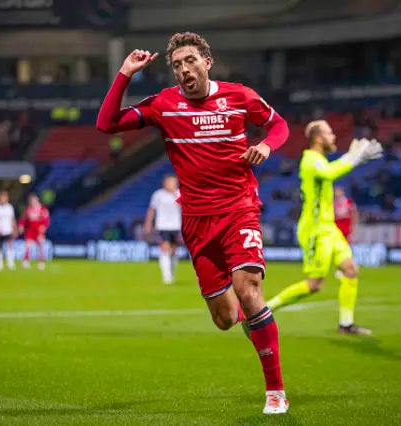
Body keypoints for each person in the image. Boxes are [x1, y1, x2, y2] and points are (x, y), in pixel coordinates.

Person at [96, 32, 290, 415]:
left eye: (190, 61)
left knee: (248, 289)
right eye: (177, 65)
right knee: (225, 318)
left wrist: (266, 145)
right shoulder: (165, 105)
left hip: (239, 209)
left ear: (207, 62)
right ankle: (253, 318)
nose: (184, 69)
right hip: (198, 222)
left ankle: (275, 391)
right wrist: (124, 74)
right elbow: (107, 124)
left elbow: (279, 125)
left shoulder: (239, 96)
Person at [266, 121, 383, 334]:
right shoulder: (310, 160)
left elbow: (330, 170)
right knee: (314, 284)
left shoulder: (318, 160)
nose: (333, 137)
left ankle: (346, 324)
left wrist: (351, 158)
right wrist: (352, 158)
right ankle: (263, 311)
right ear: (318, 138)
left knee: (350, 270)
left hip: (329, 228)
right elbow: (329, 173)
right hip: (315, 230)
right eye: (330, 133)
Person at [144, 175, 182, 284]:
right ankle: (167, 277)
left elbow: (185, 207)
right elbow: (151, 210)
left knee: (174, 251)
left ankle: (172, 273)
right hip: (162, 226)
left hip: (176, 225)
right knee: (165, 248)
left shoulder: (179, 193)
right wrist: (148, 224)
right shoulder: (158, 194)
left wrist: (174, 193)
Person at [18, 194, 50, 270]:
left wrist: (44, 227)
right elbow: (23, 219)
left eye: (34, 200)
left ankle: (41, 262)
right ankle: (26, 261)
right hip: (30, 230)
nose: (32, 202)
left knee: (40, 246)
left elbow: (46, 220)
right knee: (28, 246)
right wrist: (21, 226)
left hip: (39, 230)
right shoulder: (28, 209)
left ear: (37, 200)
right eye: (31, 200)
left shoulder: (43, 209)